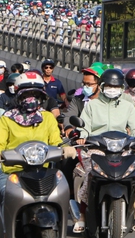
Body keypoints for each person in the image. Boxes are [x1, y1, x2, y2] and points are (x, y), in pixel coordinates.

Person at [0, 71, 77, 225]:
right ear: (18, 96)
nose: (31, 99)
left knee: (61, 192)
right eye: (26, 94)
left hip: (43, 171)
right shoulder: (6, 119)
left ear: (42, 97)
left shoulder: (48, 118)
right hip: (12, 172)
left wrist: (67, 147)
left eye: (36, 94)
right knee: (4, 194)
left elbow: (56, 140)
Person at [74, 69, 135, 233]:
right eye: (110, 86)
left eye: (117, 86)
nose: (113, 89)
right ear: (102, 86)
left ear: (121, 88)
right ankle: (82, 215)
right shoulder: (91, 106)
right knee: (88, 176)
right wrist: (82, 137)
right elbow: (83, 127)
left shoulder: (127, 106)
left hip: (122, 150)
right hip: (96, 149)